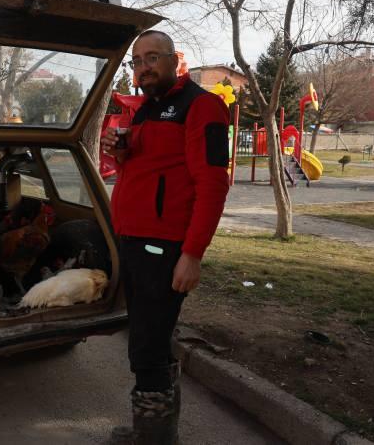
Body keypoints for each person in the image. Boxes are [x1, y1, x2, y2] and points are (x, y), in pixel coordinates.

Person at [101, 30, 230, 444]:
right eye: (137, 61)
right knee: (150, 339)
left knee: (146, 346)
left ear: (175, 60)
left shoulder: (202, 107)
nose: (144, 67)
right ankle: (156, 432)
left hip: (164, 248)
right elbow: (140, 172)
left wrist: (192, 254)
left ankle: (153, 438)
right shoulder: (145, 110)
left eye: (153, 57)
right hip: (135, 242)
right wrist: (119, 154)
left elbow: (213, 185)